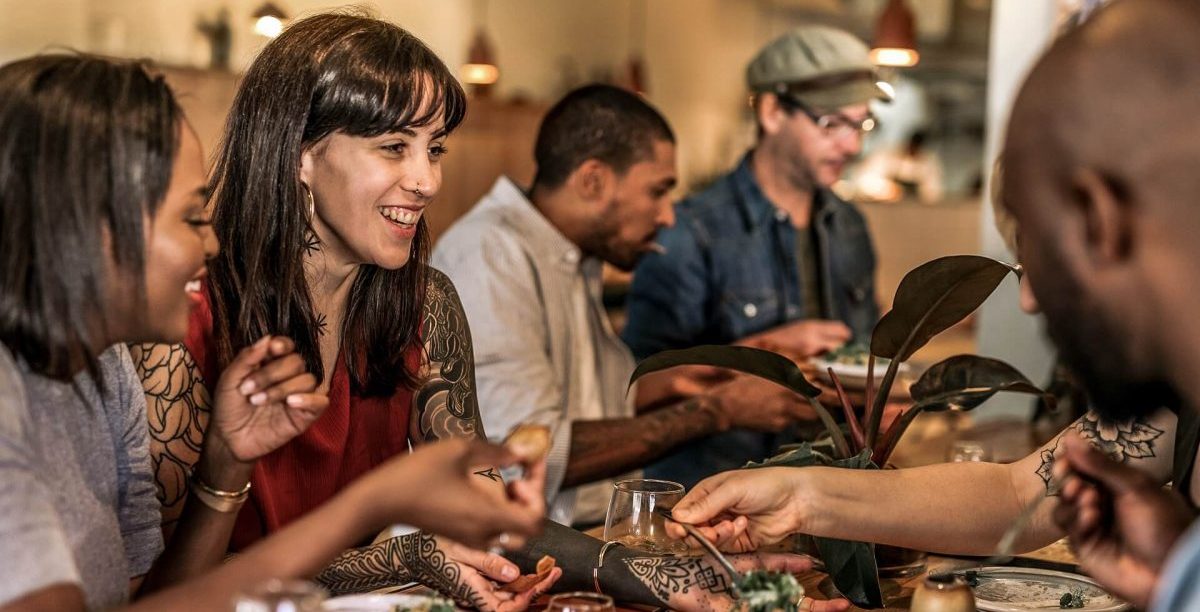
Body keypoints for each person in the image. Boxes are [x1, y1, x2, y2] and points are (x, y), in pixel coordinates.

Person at [139, 14, 841, 612]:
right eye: (394, 147)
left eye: (434, 148)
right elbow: (164, 593)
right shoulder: (185, 318)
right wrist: (401, 557)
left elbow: (490, 513)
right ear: (299, 154)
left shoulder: (427, 303)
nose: (427, 180)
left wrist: (653, 574)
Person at [663, 0, 1200, 586]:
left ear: (1101, 218)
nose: (1029, 302)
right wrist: (798, 495)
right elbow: (1017, 493)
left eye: (1041, 252)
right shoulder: (1177, 396)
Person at [0, 53, 544, 612]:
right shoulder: (152, 338)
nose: (428, 181)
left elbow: (155, 598)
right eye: (192, 218)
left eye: (435, 149)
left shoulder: (103, 374)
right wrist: (377, 521)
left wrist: (225, 468)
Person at [432, 84, 811, 527]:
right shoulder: (489, 253)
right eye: (658, 191)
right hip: (498, 557)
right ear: (593, 181)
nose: (668, 216)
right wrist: (718, 410)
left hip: (571, 541)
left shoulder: (570, 256)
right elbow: (521, 454)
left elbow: (576, 408)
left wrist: (678, 384)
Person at [621, 25, 890, 486]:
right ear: (771, 111)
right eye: (832, 124)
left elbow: (864, 355)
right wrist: (768, 350)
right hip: (710, 500)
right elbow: (635, 390)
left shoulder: (850, 226)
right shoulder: (690, 231)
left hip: (834, 493)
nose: (853, 145)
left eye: (861, 123)